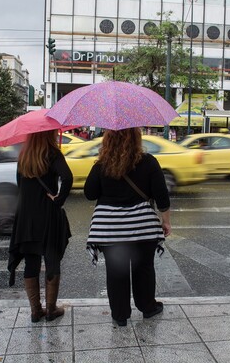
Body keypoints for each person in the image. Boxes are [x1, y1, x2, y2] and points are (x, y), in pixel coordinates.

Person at [84, 128, 171, 327]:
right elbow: (161, 196)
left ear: (108, 140)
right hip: (142, 228)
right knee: (144, 268)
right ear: (136, 138)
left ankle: (120, 315)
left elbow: (90, 193)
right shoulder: (148, 162)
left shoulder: (102, 165)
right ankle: (147, 307)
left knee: (116, 272)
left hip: (109, 229)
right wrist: (166, 221)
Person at [8, 129, 73, 323]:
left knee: (31, 262)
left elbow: (20, 185)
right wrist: (58, 199)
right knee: (52, 260)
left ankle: (36, 311)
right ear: (49, 134)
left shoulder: (24, 156)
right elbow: (67, 178)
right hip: (48, 214)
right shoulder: (52, 153)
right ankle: (51, 309)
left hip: (27, 217)